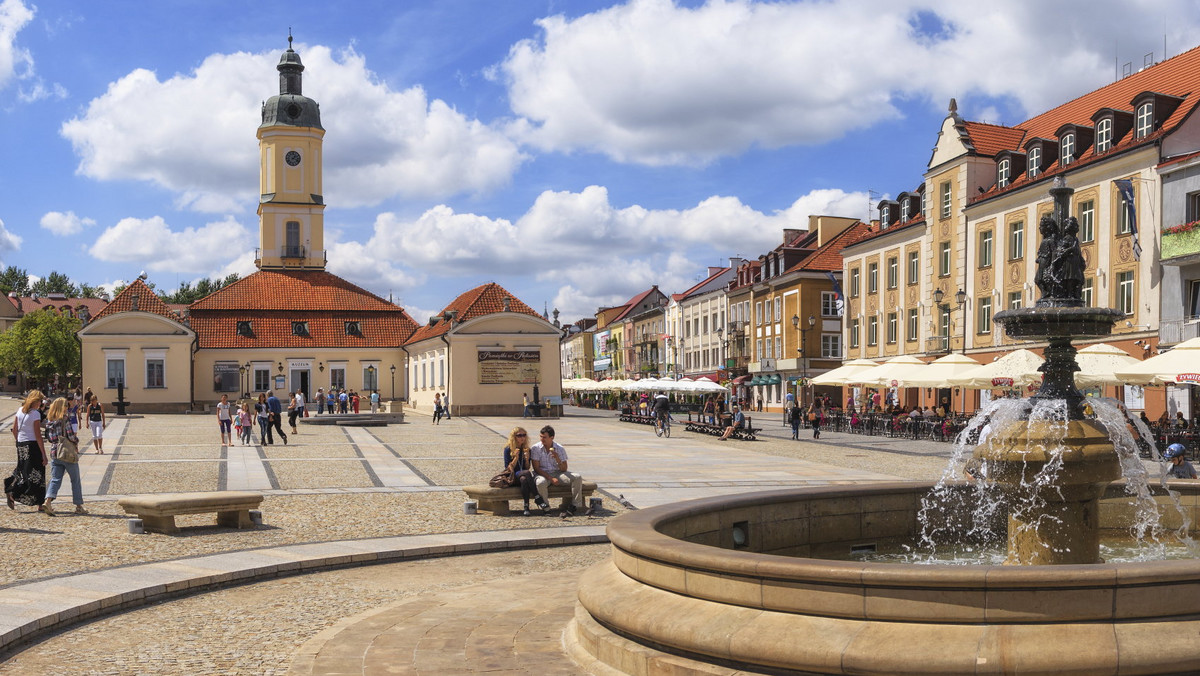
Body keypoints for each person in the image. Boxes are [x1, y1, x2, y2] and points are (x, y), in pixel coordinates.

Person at [531, 425, 589, 517]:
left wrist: (557, 458)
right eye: (541, 437)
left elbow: (564, 469)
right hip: (542, 474)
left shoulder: (559, 448)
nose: (542, 439)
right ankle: (546, 507)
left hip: (558, 473)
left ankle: (575, 505)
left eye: (544, 437)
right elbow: (536, 468)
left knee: (577, 477)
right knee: (540, 482)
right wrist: (550, 478)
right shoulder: (536, 448)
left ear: (552, 437)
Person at [43, 397, 85, 516]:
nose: (67, 407)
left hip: (55, 452)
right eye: (66, 405)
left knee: (55, 479)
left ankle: (48, 501)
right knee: (75, 479)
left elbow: (50, 438)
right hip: (66, 452)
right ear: (61, 407)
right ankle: (78, 505)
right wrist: (76, 442)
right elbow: (71, 436)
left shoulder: (50, 420)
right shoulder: (64, 419)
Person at [6, 390, 47, 510]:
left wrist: (19, 442)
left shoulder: (20, 410)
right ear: (36, 400)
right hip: (32, 445)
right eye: (40, 401)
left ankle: (38, 502)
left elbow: (14, 430)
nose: (41, 403)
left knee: (24, 471)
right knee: (37, 474)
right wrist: (44, 454)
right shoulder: (35, 414)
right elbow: (38, 435)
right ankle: (15, 493)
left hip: (21, 444)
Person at [503, 427, 549, 515]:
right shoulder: (508, 449)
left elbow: (527, 467)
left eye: (524, 435)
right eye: (519, 435)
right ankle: (537, 497)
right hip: (512, 477)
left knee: (524, 478)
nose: (522, 437)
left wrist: (527, 459)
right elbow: (508, 469)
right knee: (527, 474)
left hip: (523, 477)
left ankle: (526, 506)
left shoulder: (526, 449)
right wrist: (515, 458)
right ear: (514, 437)